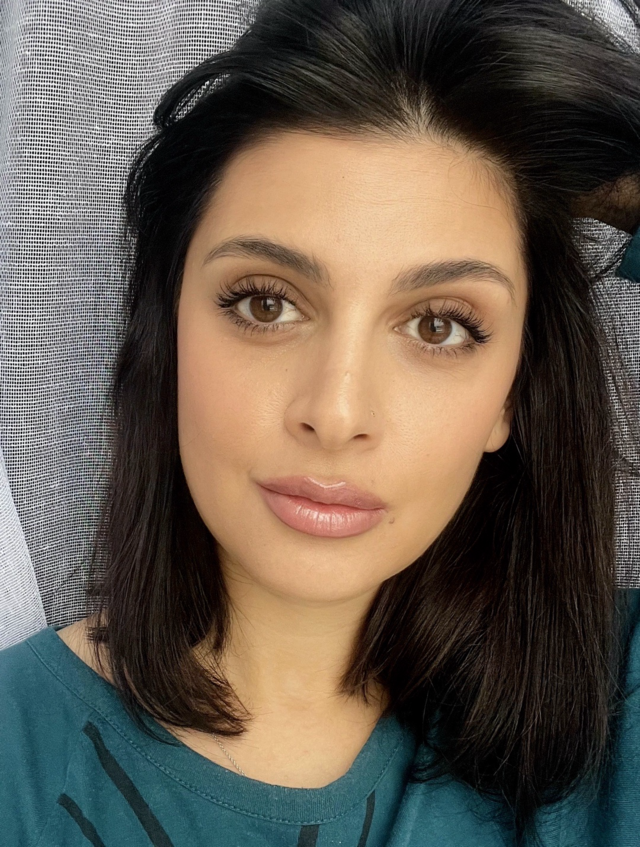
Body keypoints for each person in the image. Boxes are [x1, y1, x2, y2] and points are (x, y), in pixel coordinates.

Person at [2, 0, 640, 845]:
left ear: (513, 393)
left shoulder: (615, 710)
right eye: (266, 304)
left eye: (438, 325)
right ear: (168, 333)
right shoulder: (14, 757)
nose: (336, 414)